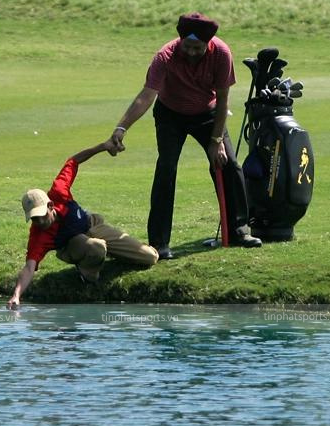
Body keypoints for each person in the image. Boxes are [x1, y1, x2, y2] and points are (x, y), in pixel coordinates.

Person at [106, 12, 262, 260]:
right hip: (170, 114)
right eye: (186, 46)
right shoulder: (165, 56)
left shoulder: (221, 53)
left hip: (208, 113)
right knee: (166, 167)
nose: (190, 51)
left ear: (208, 43)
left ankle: (239, 230)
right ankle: (159, 242)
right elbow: (147, 95)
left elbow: (223, 99)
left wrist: (217, 141)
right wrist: (121, 127)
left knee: (229, 164)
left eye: (196, 48)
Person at [7, 141, 159, 309]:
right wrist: (16, 295)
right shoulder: (38, 235)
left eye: (41, 216)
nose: (40, 222)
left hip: (92, 225)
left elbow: (73, 161)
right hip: (73, 246)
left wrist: (104, 146)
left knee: (150, 257)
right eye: (34, 218)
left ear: (50, 206)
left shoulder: (59, 191)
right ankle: (88, 274)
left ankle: (114, 254)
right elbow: (29, 268)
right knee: (97, 248)